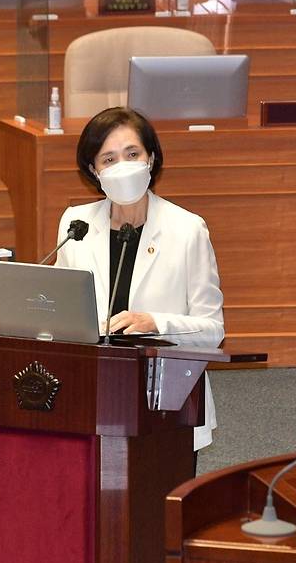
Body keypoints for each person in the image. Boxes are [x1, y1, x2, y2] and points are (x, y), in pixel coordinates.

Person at [55, 106, 224, 455]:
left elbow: (213, 330)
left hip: (163, 399)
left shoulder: (187, 229)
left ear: (151, 159)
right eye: (109, 159)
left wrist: (155, 323)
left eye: (132, 154)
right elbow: (60, 312)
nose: (123, 166)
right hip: (91, 390)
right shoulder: (77, 225)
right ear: (93, 170)